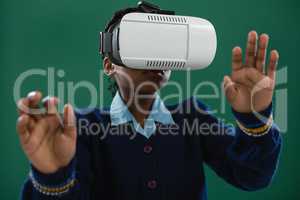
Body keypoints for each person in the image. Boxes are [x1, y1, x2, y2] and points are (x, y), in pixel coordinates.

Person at [17, 3, 282, 200]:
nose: (155, 57)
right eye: (142, 42)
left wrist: (255, 118)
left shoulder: (193, 118)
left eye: (164, 45)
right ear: (109, 64)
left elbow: (253, 175)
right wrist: (53, 177)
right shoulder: (81, 129)